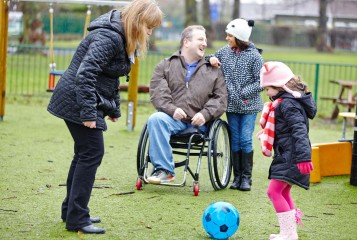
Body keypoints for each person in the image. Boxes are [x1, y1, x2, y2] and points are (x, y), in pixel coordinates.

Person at [47, 0, 163, 234]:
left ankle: (71, 211)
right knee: (91, 153)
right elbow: (86, 74)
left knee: (84, 153)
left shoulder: (119, 37)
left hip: (82, 99)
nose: (150, 32)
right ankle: (77, 219)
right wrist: (89, 113)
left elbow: (109, 78)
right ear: (138, 21)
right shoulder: (109, 37)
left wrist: (112, 110)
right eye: (149, 26)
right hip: (77, 99)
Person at [146, 25, 228, 184]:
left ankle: (163, 169)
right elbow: (158, 93)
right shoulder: (165, 66)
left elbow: (221, 98)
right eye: (200, 39)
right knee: (155, 119)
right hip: (173, 120)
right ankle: (164, 170)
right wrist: (172, 110)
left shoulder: (214, 70)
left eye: (205, 39)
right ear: (186, 42)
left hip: (200, 124)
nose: (205, 43)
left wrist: (204, 114)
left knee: (160, 118)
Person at [257, 61, 317, 240]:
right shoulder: (284, 102)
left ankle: (288, 234)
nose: (267, 93)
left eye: (268, 89)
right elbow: (285, 129)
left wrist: (304, 157)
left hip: (292, 156)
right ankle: (290, 233)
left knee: (274, 192)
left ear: (280, 86)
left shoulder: (288, 105)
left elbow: (299, 131)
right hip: (287, 154)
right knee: (283, 192)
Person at [208, 18, 263, 191]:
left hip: (249, 106)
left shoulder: (255, 56)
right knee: (235, 140)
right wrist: (211, 60)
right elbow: (210, 57)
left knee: (246, 139)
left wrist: (243, 93)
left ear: (238, 37)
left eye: (229, 36)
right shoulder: (225, 52)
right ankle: (236, 177)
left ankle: (246, 179)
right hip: (231, 106)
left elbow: (261, 82)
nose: (227, 38)